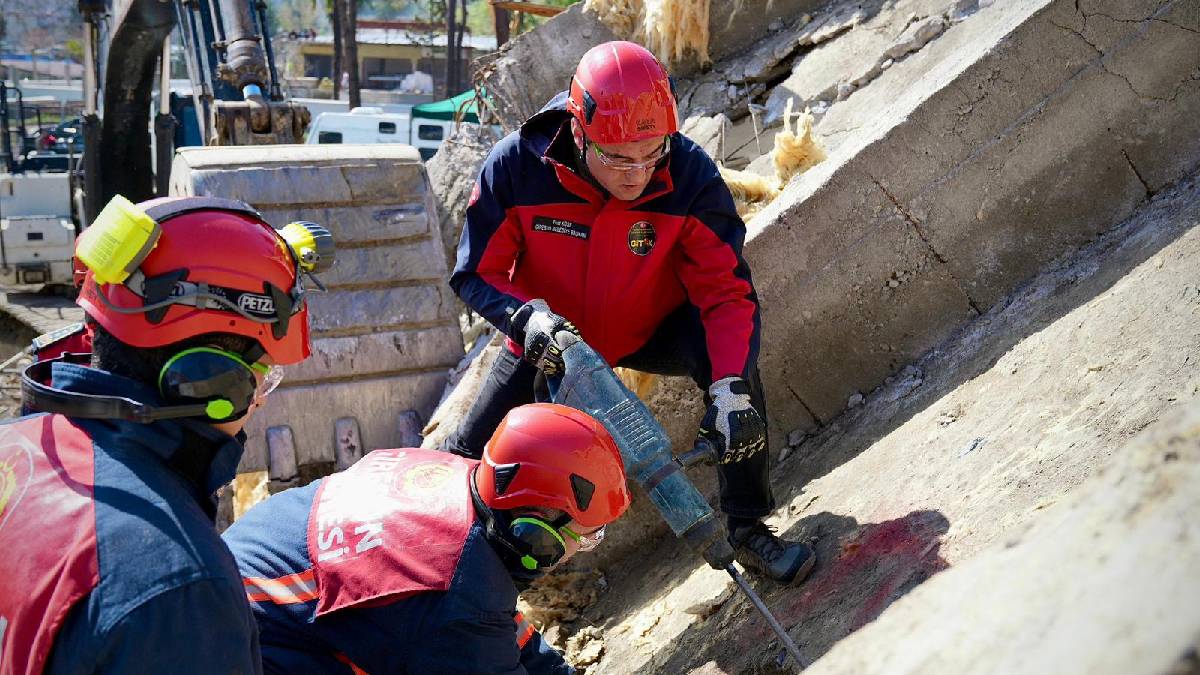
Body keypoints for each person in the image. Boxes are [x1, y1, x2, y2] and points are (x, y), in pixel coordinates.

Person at [445, 40, 815, 584]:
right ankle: (457, 576)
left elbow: (725, 292)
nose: (637, 175)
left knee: (736, 384)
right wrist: (524, 318)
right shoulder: (518, 166)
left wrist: (729, 385)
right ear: (577, 130)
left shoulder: (688, 175)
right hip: (551, 338)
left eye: (651, 154)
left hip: (652, 325)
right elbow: (476, 271)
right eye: (618, 158)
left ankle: (749, 528)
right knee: (466, 458)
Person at [0, 195, 331, 674]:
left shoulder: (16, 444)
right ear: (210, 378)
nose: (259, 397)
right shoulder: (180, 586)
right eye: (262, 374)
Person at [223, 403, 630, 674]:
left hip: (241, 575)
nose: (580, 551)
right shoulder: (453, 596)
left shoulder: (459, 484)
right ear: (535, 533)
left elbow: (496, 626)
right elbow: (475, 630)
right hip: (232, 640)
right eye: (586, 537)